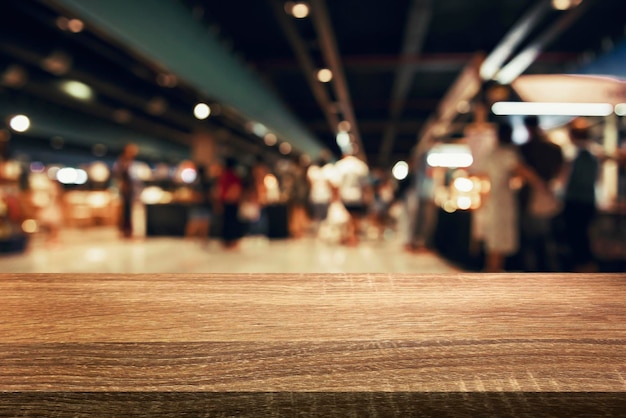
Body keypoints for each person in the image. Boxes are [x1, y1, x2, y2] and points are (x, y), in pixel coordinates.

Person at [483, 123, 543, 272]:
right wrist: (541, 186)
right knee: (500, 237)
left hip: (492, 199)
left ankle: (493, 269)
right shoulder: (508, 153)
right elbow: (525, 172)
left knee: (495, 238)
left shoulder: (492, 153)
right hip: (502, 201)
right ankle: (494, 270)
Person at [518, 115, 564, 271]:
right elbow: (561, 172)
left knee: (532, 240)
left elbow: (522, 174)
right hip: (549, 197)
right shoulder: (554, 148)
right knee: (548, 239)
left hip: (530, 198)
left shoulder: (525, 148)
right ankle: (549, 272)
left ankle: (534, 274)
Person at [562, 118, 600, 272]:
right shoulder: (594, 155)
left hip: (575, 202)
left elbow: (568, 181)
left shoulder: (575, 155)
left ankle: (583, 273)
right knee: (582, 238)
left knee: (577, 239)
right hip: (588, 201)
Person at [332, 151, 370, 246]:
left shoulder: (340, 165)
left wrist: (335, 197)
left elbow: (336, 183)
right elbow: (365, 184)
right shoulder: (360, 166)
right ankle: (353, 236)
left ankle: (349, 235)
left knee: (346, 217)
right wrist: (367, 195)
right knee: (355, 216)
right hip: (357, 195)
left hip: (344, 194)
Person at [216, 156, 243, 249]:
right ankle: (230, 241)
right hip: (231, 202)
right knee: (231, 222)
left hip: (225, 202)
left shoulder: (223, 176)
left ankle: (227, 241)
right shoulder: (233, 176)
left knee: (226, 222)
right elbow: (235, 188)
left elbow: (219, 189)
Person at [113, 143, 139, 238]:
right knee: (125, 211)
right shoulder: (122, 161)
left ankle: (128, 231)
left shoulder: (129, 162)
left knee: (129, 211)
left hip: (130, 190)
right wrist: (122, 185)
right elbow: (118, 176)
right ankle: (125, 231)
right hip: (125, 191)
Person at [185, 164, 213, 245]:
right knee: (200, 225)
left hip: (200, 206)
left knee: (197, 224)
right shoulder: (205, 181)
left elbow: (193, 195)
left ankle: (191, 241)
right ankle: (195, 241)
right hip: (202, 206)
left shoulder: (196, 182)